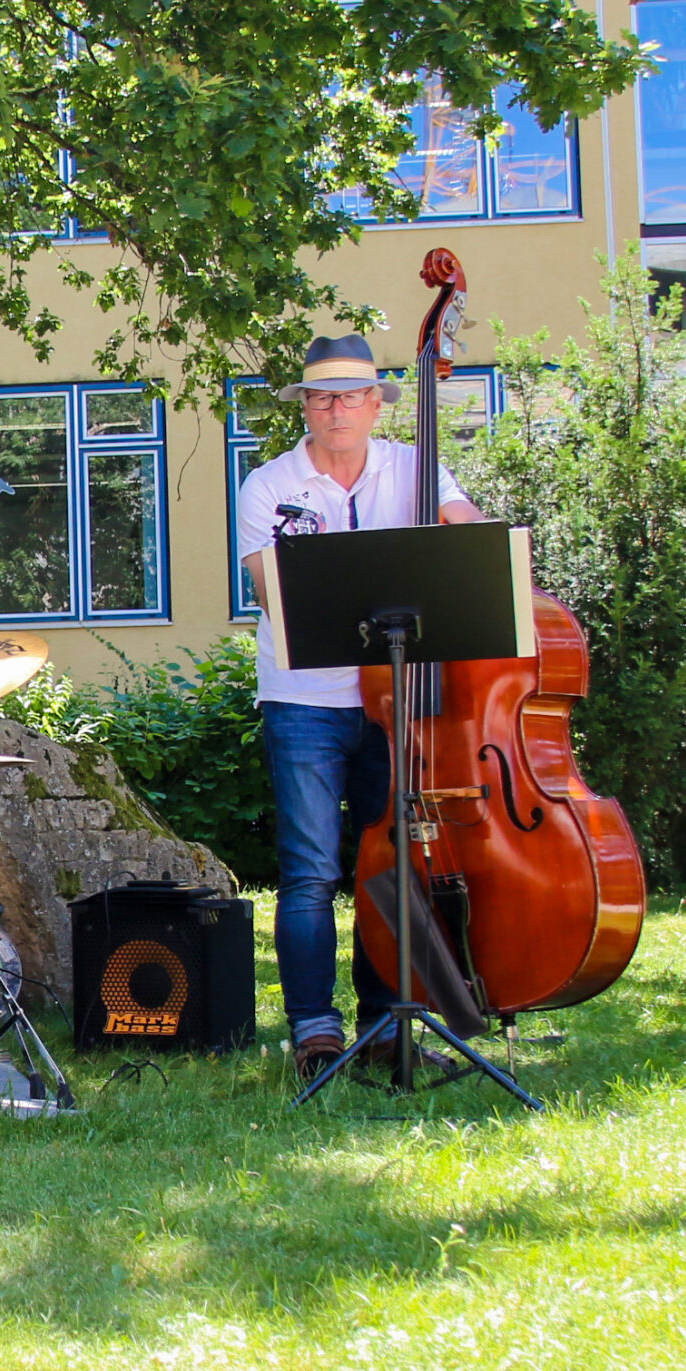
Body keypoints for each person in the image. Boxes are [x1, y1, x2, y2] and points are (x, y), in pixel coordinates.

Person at [237, 333, 483, 1082]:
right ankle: (314, 1028)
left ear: (377, 404)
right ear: (304, 408)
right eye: (320, 397)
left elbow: (468, 536)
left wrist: (462, 541)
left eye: (349, 396)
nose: (335, 409)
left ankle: (387, 1021)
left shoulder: (414, 466)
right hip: (304, 697)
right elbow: (268, 588)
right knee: (310, 869)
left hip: (400, 697)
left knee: (396, 863)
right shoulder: (267, 485)